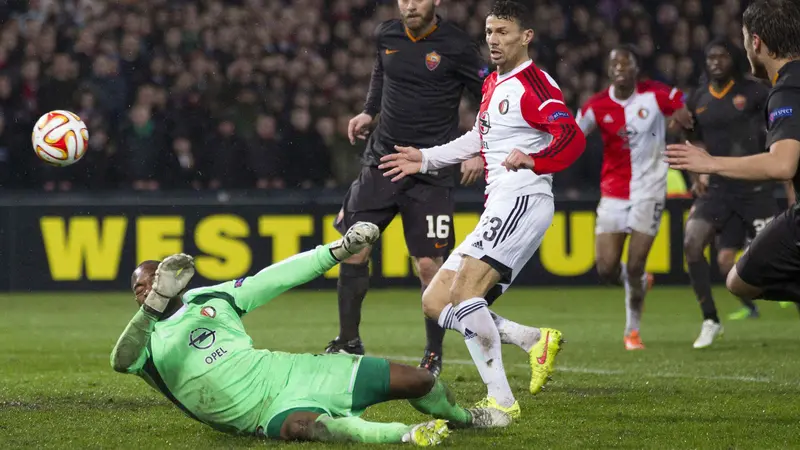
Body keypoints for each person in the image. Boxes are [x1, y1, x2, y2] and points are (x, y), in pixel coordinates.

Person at [110, 222, 511, 446]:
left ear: (176, 281)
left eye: (154, 281)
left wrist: (337, 250)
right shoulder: (143, 338)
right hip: (259, 414)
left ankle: (464, 418)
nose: (146, 289)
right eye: (139, 289)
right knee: (308, 427)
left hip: (292, 372)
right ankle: (406, 435)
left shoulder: (209, 298)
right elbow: (120, 362)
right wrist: (152, 307)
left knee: (419, 380)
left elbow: (276, 278)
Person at [379, 0, 586, 420]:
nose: (493, 40)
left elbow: (571, 137)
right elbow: (478, 137)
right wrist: (426, 158)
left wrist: (536, 160)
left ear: (526, 37)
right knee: (436, 300)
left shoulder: (536, 85)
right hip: (500, 203)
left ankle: (501, 404)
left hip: (523, 199)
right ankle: (532, 340)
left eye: (503, 32)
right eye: (490, 32)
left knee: (464, 293)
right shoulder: (493, 82)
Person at [328, 0, 488, 379]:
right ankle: (348, 341)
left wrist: (478, 148)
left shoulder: (457, 45)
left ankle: (433, 354)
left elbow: (489, 96)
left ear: (436, 2)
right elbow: (381, 75)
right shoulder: (387, 34)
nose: (410, 5)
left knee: (429, 267)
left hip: (431, 170)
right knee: (353, 249)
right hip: (382, 162)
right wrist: (369, 111)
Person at [666, 0, 800, 310]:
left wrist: (711, 163)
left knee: (739, 281)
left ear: (756, 42)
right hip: (726, 196)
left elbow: (782, 163)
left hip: (764, 199)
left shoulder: (786, 90)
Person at [681, 39, 796, 348]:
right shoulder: (699, 98)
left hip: (754, 189)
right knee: (693, 243)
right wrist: (697, 173)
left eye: (721, 56)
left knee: (784, 257)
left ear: (733, 58)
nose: (716, 61)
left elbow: (782, 137)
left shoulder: (756, 92)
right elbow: (695, 141)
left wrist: (788, 188)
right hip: (717, 190)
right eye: (710, 57)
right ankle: (710, 319)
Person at [575, 45, 692, 350]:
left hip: (650, 189)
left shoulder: (655, 94)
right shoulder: (595, 106)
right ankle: (638, 280)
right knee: (606, 269)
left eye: (626, 64)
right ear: (609, 70)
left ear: (635, 69)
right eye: (615, 65)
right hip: (613, 192)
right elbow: (574, 138)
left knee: (636, 262)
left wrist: (681, 115)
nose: (620, 69)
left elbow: (680, 102)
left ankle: (632, 331)